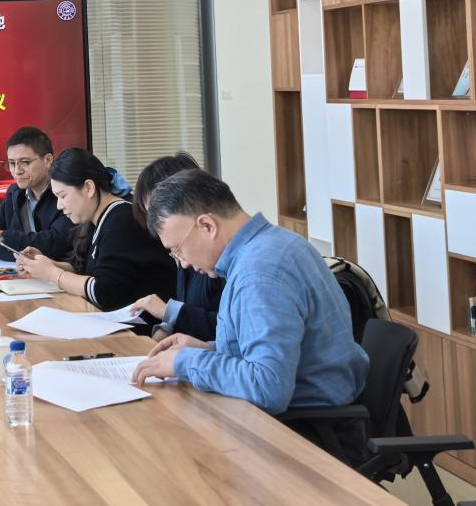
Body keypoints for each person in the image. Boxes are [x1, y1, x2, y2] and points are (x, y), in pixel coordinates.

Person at [131, 168, 368, 417]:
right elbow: (281, 350)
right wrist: (209, 350)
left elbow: (267, 389)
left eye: (178, 250)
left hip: (304, 428)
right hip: (322, 407)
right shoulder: (277, 242)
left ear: (207, 225)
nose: (184, 263)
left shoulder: (258, 274)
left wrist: (187, 362)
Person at [15, 148, 174, 310]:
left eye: (63, 196)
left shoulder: (122, 221)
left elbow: (104, 292)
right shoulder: (98, 218)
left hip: (141, 322)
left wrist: (52, 274)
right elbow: (86, 272)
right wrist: (47, 265)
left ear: (88, 187)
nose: (59, 206)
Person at [129, 152, 224, 342]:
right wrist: (163, 331)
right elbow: (184, 308)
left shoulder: (215, 255)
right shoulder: (183, 251)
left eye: (158, 212)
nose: (155, 223)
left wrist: (168, 311)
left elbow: (228, 331)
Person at [0, 126, 74, 261]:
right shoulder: (14, 193)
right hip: (23, 273)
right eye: (12, 163)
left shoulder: (66, 193)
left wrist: (1, 237)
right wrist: (23, 254)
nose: (17, 171)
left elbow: (56, 243)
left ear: (48, 160)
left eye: (25, 162)